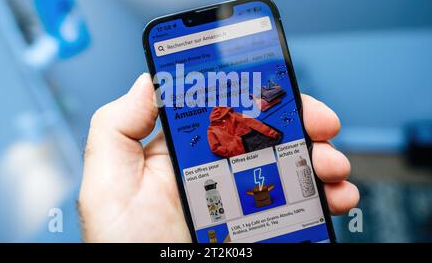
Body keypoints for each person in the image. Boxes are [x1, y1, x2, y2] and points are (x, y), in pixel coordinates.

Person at [79, 73, 360, 242]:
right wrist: (262, 138)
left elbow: (253, 124)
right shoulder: (222, 124)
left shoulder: (233, 115)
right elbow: (228, 143)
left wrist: (268, 134)